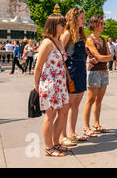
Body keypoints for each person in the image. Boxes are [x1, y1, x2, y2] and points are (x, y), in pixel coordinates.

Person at [34, 14, 70, 157]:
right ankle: (49, 148)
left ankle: (56, 143)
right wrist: (36, 84)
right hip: (50, 83)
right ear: (54, 25)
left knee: (62, 113)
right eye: (62, 24)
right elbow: (38, 66)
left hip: (61, 83)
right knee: (50, 116)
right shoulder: (47, 43)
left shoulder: (60, 42)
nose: (64, 27)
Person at [59, 8, 91, 146]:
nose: (84, 20)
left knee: (76, 104)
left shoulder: (80, 34)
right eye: (81, 18)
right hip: (71, 71)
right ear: (73, 19)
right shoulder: (67, 34)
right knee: (67, 105)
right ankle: (62, 135)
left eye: (84, 18)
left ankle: (71, 132)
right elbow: (59, 53)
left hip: (80, 70)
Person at [83, 15, 112, 137]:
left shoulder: (104, 40)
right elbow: (102, 57)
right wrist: (103, 58)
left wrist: (102, 58)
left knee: (99, 100)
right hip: (94, 71)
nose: (103, 25)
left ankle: (96, 124)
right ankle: (86, 127)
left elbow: (110, 56)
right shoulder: (89, 40)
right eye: (101, 23)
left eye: (103, 23)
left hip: (104, 70)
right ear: (94, 24)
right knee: (90, 100)